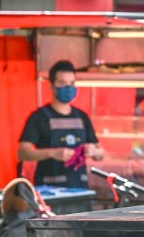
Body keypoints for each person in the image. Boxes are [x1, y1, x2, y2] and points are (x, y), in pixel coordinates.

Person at [18, 60, 105, 188]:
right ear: (52, 86)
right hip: (49, 191)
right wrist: (52, 153)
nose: (68, 88)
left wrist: (94, 152)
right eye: (63, 83)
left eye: (71, 83)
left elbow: (101, 154)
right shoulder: (39, 117)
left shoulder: (82, 117)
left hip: (79, 189)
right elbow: (23, 152)